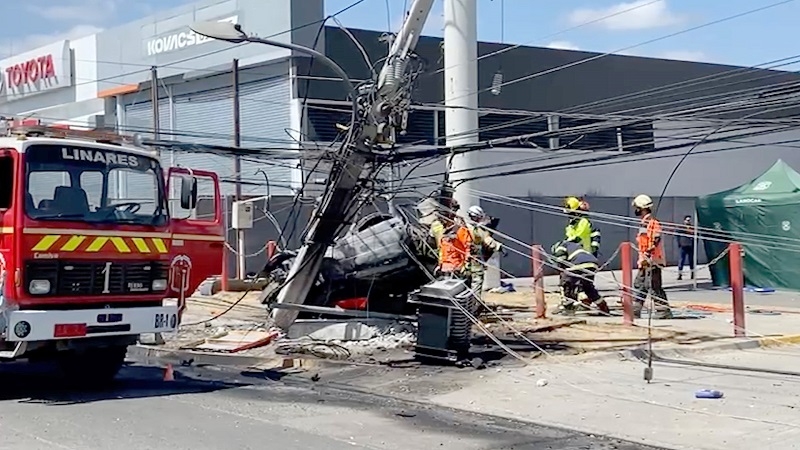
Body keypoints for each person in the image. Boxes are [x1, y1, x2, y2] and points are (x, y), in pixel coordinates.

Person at [631, 194, 673, 319]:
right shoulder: (644, 223)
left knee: (654, 286)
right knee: (640, 285)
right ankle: (635, 311)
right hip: (645, 260)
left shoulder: (652, 223)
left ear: (642, 208)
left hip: (652, 260)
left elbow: (656, 238)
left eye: (637, 207)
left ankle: (663, 312)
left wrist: (649, 252)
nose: (636, 210)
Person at [549, 240, 610, 315]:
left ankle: (568, 306)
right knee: (588, 287)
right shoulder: (575, 246)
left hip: (578, 263)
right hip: (592, 264)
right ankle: (603, 307)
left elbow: (561, 260)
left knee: (567, 284)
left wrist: (558, 267)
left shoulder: (561, 246)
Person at [465, 205, 502, 305]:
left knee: (468, 281)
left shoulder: (467, 227)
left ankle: (470, 302)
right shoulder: (474, 229)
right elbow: (485, 239)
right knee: (477, 280)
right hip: (473, 258)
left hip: (467, 259)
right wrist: (498, 247)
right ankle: (474, 303)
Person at [676, 215, 695, 281]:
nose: (688, 221)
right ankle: (680, 274)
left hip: (690, 246)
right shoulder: (681, 228)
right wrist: (679, 244)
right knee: (681, 260)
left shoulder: (693, 228)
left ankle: (692, 274)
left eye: (689, 220)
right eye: (687, 220)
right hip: (683, 246)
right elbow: (677, 235)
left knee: (691, 261)